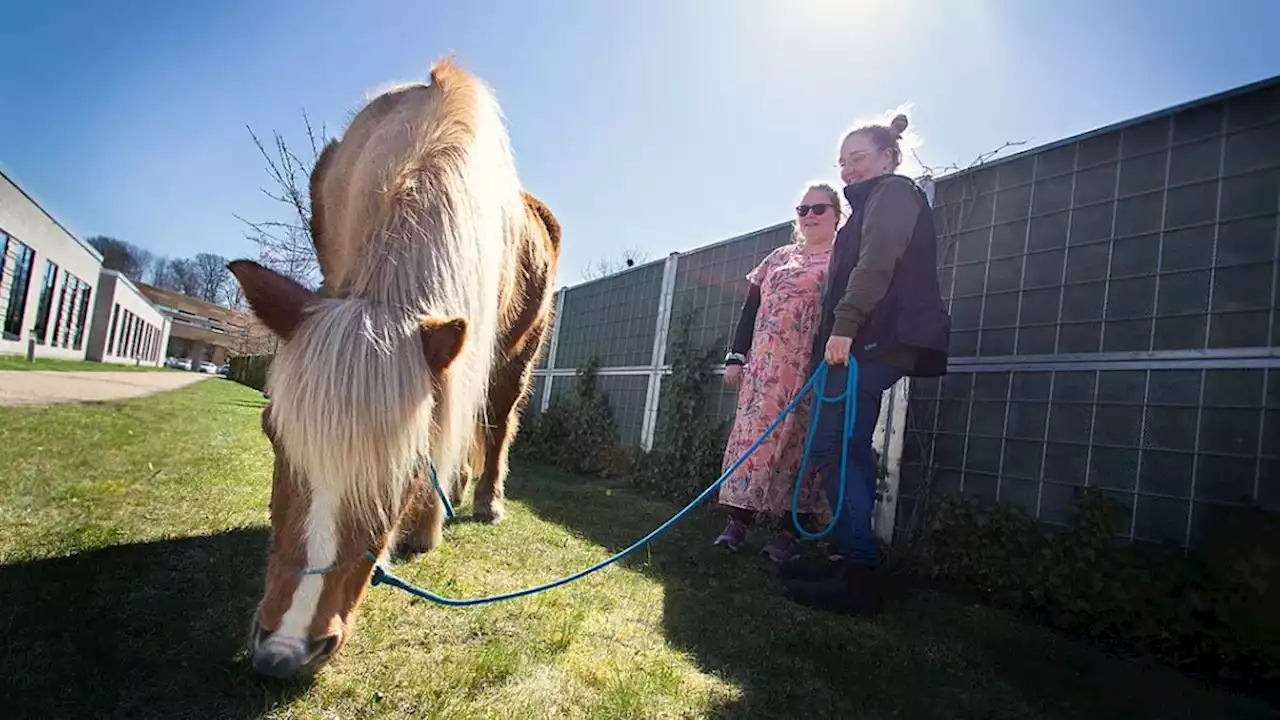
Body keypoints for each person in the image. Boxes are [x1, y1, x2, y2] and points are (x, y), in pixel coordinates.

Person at [779, 113, 951, 616]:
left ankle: (858, 572)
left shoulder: (894, 193)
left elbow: (878, 262)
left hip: (872, 342)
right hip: (859, 345)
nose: (848, 169)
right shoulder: (865, 207)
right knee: (843, 446)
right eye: (842, 162)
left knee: (834, 446)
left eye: (858, 158)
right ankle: (846, 560)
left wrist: (846, 324)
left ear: (888, 157)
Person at [714, 183, 841, 564]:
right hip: (765, 370)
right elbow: (749, 311)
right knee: (753, 443)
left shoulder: (842, 259)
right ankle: (738, 522)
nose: (809, 216)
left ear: (837, 214)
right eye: (802, 209)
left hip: (810, 369)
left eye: (818, 208)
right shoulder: (778, 257)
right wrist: (736, 356)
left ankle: (790, 532)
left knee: (800, 447)